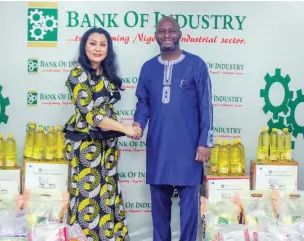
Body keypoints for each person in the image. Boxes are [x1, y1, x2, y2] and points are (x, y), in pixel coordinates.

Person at [132, 16, 214, 241]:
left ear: (180, 34)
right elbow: (143, 103)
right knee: (159, 213)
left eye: (171, 30)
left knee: (189, 213)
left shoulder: (196, 64)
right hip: (158, 147)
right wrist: (138, 125)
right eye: (162, 31)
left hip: (189, 150)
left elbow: (206, 105)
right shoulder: (148, 68)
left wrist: (205, 142)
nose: (166, 35)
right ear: (156, 35)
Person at [63, 27, 140, 241]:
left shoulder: (105, 75)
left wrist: (116, 142)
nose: (98, 48)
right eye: (93, 43)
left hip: (107, 147)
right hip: (86, 146)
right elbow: (91, 115)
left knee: (108, 197)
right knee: (90, 200)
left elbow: (108, 112)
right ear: (84, 46)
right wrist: (124, 129)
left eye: (103, 44)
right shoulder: (77, 74)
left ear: (109, 48)